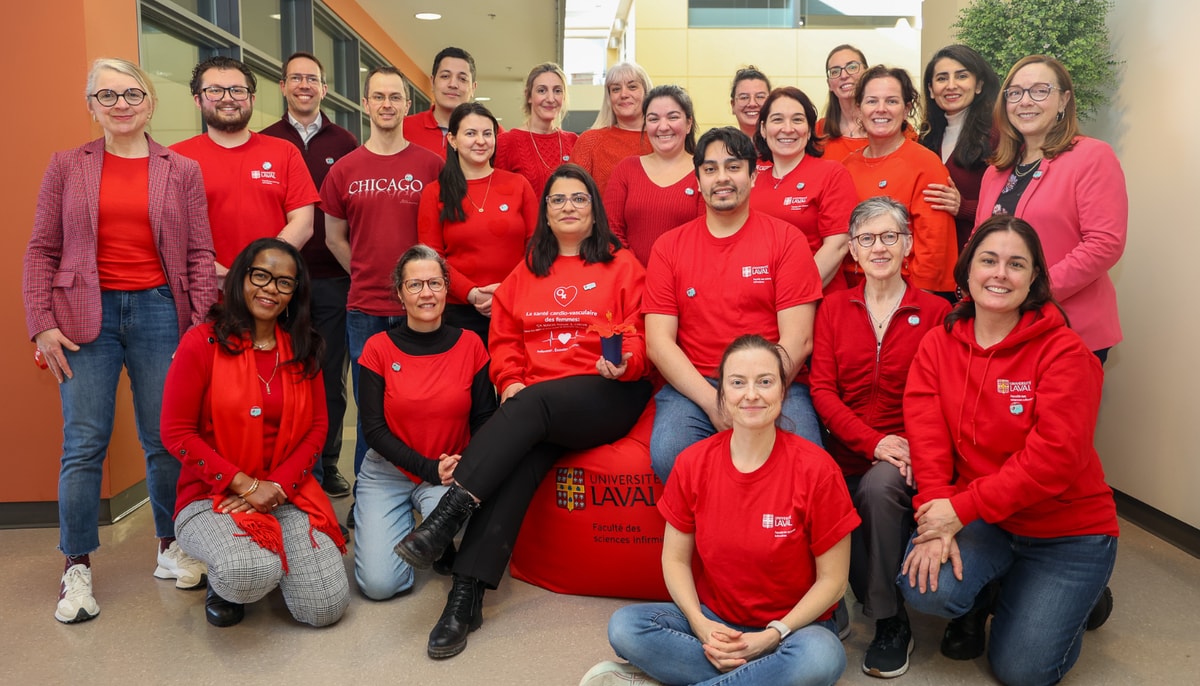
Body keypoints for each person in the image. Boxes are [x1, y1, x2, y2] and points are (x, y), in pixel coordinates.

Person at [394, 164, 653, 659]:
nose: (569, 207)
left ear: (595, 211)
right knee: (518, 465)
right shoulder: (530, 267)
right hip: (540, 405)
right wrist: (509, 378)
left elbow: (640, 334)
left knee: (532, 404)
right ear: (546, 214)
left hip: (607, 392)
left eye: (579, 199)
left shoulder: (623, 265)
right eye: (558, 200)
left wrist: (627, 363)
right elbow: (505, 336)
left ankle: (447, 516)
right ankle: (463, 596)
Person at [23, 57, 218, 624]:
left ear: (150, 102)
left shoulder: (180, 169)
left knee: (166, 439)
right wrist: (41, 322)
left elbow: (200, 253)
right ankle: (76, 566)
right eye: (107, 96)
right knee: (84, 443)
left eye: (131, 93)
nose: (121, 104)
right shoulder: (67, 166)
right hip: (85, 322)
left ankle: (170, 544)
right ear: (91, 106)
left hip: (162, 312)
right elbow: (41, 249)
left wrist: (201, 321)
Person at [900, 215, 1118, 685]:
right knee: (925, 591)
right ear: (967, 271)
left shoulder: (1064, 352)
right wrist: (935, 515)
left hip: (1066, 531)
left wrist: (960, 510)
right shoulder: (938, 345)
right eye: (988, 260)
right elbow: (927, 437)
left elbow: (1054, 459)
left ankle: (1082, 597)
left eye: (1016, 264)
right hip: (989, 520)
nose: (1000, 273)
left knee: (1023, 671)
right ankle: (1006, 585)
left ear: (1035, 278)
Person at [583, 335, 860, 686]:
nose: (752, 394)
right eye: (738, 383)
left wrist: (772, 635)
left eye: (765, 382)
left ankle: (700, 676)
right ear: (722, 395)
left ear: (782, 392)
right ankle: (758, 676)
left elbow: (833, 582)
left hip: (793, 630)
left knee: (822, 656)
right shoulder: (693, 463)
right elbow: (675, 560)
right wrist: (700, 625)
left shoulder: (818, 470)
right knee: (625, 626)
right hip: (716, 622)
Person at [161, 238, 349, 628]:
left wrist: (274, 487)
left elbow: (317, 429)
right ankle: (233, 566)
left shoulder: (304, 347)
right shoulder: (202, 343)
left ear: (295, 293)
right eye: (260, 275)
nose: (270, 289)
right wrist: (246, 486)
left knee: (326, 606)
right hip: (213, 496)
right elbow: (176, 433)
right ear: (240, 278)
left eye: (284, 282)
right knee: (247, 574)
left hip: (286, 492)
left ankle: (275, 558)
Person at [809, 198, 951, 678]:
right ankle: (828, 602)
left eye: (890, 236)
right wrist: (871, 442)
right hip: (847, 447)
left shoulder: (935, 312)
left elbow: (941, 395)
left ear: (907, 244)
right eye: (866, 239)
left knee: (876, 488)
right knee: (820, 489)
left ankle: (890, 620)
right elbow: (823, 391)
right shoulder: (831, 308)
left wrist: (906, 445)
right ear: (851, 250)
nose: (879, 247)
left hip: (911, 453)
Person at [645, 127, 824, 484]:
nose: (722, 178)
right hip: (697, 386)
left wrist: (753, 392)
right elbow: (658, 343)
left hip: (776, 383)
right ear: (697, 180)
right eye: (710, 169)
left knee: (807, 465)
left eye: (733, 166)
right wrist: (716, 403)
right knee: (670, 453)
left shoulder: (786, 240)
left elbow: (799, 340)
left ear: (753, 175)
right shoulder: (668, 247)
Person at [322, 66, 443, 508]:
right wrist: (365, 272)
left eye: (396, 97)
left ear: (407, 105)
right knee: (371, 410)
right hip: (365, 308)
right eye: (379, 96)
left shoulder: (431, 165)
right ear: (366, 103)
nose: (387, 104)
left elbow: (444, 234)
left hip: (423, 308)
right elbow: (334, 236)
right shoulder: (346, 169)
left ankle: (427, 493)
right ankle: (368, 500)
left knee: (423, 406)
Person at [354, 245, 497, 600]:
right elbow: (372, 430)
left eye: (434, 283)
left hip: (451, 470)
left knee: (455, 519)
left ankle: (437, 539)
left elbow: (484, 418)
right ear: (400, 294)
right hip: (388, 472)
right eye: (415, 285)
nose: (426, 293)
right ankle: (406, 529)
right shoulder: (377, 348)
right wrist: (427, 468)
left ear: (447, 288)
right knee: (379, 586)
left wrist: (465, 467)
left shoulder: (472, 345)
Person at [977, 55, 1127, 361]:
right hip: (1005, 327)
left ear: (1064, 100)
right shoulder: (996, 170)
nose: (1025, 101)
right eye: (1015, 93)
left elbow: (1104, 244)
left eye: (1040, 90)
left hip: (1070, 329)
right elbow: (979, 242)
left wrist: (1033, 289)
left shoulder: (1091, 156)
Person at [261, 51, 360, 498]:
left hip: (334, 278)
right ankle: (281, 462)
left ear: (324, 89)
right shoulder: (264, 141)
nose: (304, 85)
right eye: (296, 78)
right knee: (280, 374)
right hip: (277, 283)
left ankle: (327, 463)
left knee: (330, 381)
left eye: (313, 79)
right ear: (282, 86)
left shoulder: (346, 143)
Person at [171, 56, 319, 277]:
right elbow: (170, 231)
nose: (227, 99)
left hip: (271, 289)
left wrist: (260, 271)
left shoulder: (284, 152)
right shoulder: (174, 158)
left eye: (237, 91)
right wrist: (218, 275)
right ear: (197, 99)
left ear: (252, 98)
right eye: (215, 91)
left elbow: (303, 223)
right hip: (203, 291)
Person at [418, 102, 538, 345]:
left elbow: (537, 246)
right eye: (471, 133)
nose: (481, 141)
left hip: (515, 305)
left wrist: (505, 292)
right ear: (452, 140)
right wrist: (471, 293)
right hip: (458, 310)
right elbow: (432, 259)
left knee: (515, 381)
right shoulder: (435, 193)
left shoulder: (518, 185)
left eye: (487, 133)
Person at [841, 66, 957, 295]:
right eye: (872, 101)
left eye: (892, 101)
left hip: (908, 297)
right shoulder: (846, 167)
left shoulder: (926, 164)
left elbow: (934, 251)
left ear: (906, 109)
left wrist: (916, 305)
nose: (881, 109)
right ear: (859, 109)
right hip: (854, 296)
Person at [750, 86, 858, 293]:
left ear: (809, 130)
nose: (788, 128)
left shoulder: (831, 173)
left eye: (798, 120)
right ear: (763, 129)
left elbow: (837, 246)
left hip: (813, 299)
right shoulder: (750, 176)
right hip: (758, 300)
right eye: (777, 119)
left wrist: (792, 295)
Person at [604, 84, 704, 266]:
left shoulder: (705, 172)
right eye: (653, 119)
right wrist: (635, 273)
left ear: (689, 124)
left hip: (685, 283)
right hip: (632, 282)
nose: (663, 126)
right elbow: (612, 233)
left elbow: (705, 238)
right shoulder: (626, 170)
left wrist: (664, 280)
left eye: (673, 117)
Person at [919, 44, 1000, 253]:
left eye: (962, 76)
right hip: (933, 258)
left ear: (979, 84)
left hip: (978, 256)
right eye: (942, 78)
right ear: (931, 89)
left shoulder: (998, 135)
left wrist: (964, 207)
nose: (951, 85)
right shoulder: (926, 137)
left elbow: (1015, 205)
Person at [818, 45, 919, 163]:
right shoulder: (818, 131)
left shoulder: (898, 129)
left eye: (852, 67)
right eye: (835, 71)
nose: (844, 76)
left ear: (866, 73)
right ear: (829, 84)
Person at [495, 62, 579, 198]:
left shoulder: (574, 142)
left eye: (557, 91)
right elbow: (499, 198)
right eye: (542, 90)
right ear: (529, 96)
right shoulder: (506, 142)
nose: (551, 99)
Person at [572, 61, 653, 195]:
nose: (623, 94)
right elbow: (572, 193)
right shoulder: (590, 142)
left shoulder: (663, 141)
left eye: (632, 87)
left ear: (646, 93)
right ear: (609, 98)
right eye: (616, 89)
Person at [404, 46, 480, 159]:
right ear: (432, 82)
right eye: (445, 76)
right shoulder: (403, 128)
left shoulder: (491, 134)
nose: (453, 84)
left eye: (462, 79)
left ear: (473, 88)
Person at [730, 66, 771, 139]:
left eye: (760, 97)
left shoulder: (784, 147)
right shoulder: (724, 148)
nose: (752, 104)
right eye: (744, 97)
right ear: (733, 105)